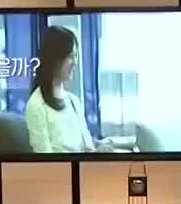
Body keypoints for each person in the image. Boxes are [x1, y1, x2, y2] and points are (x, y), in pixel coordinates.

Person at [24, 26, 118, 154]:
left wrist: (99, 152)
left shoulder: (74, 101)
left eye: (75, 56)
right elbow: (45, 160)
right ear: (54, 58)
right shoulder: (36, 105)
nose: (74, 62)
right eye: (70, 56)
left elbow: (88, 149)